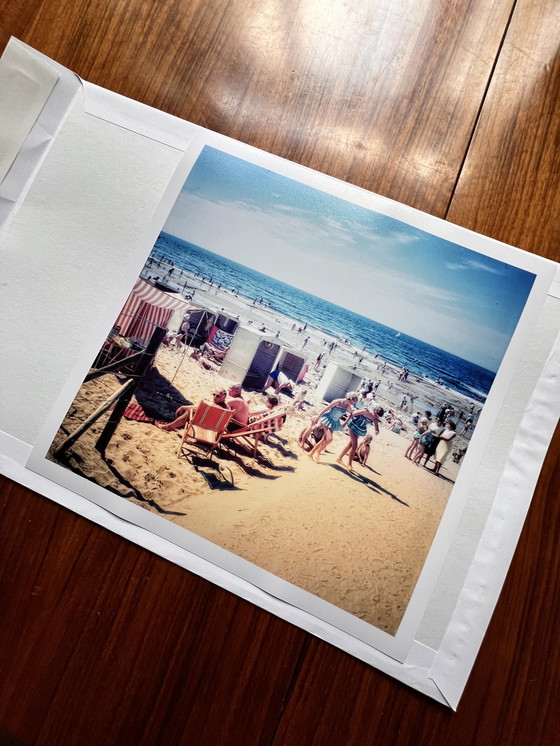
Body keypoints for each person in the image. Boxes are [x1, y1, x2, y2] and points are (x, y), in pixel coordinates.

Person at [308, 392, 359, 461]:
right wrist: (317, 418)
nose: (352, 404)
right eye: (352, 402)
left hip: (334, 422)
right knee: (329, 439)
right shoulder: (338, 401)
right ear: (349, 399)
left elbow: (351, 414)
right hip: (327, 419)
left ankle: (311, 453)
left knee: (324, 439)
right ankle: (318, 451)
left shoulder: (347, 406)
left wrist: (345, 423)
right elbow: (326, 409)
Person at [337, 405, 384, 471]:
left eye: (378, 416)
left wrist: (377, 431)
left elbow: (377, 428)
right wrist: (344, 423)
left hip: (359, 430)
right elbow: (352, 414)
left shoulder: (375, 419)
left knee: (350, 445)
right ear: (374, 411)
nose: (376, 417)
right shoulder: (365, 411)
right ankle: (349, 464)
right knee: (355, 445)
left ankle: (339, 458)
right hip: (353, 425)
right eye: (376, 415)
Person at [157, 389, 228, 432]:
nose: (214, 397)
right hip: (215, 432)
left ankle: (169, 427)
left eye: (218, 396)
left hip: (206, 429)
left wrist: (183, 407)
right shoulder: (227, 409)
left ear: (224, 397)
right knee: (193, 411)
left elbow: (199, 409)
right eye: (214, 394)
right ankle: (173, 425)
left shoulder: (217, 407)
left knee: (189, 413)